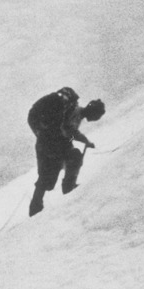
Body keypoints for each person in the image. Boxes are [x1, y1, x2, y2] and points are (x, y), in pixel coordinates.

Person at [27, 87, 106, 217]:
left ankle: (40, 203)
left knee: (49, 175)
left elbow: (68, 131)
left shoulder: (76, 111)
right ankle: (65, 189)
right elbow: (66, 131)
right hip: (51, 145)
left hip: (50, 144)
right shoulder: (75, 111)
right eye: (97, 116)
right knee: (50, 175)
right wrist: (81, 140)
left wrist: (84, 140)